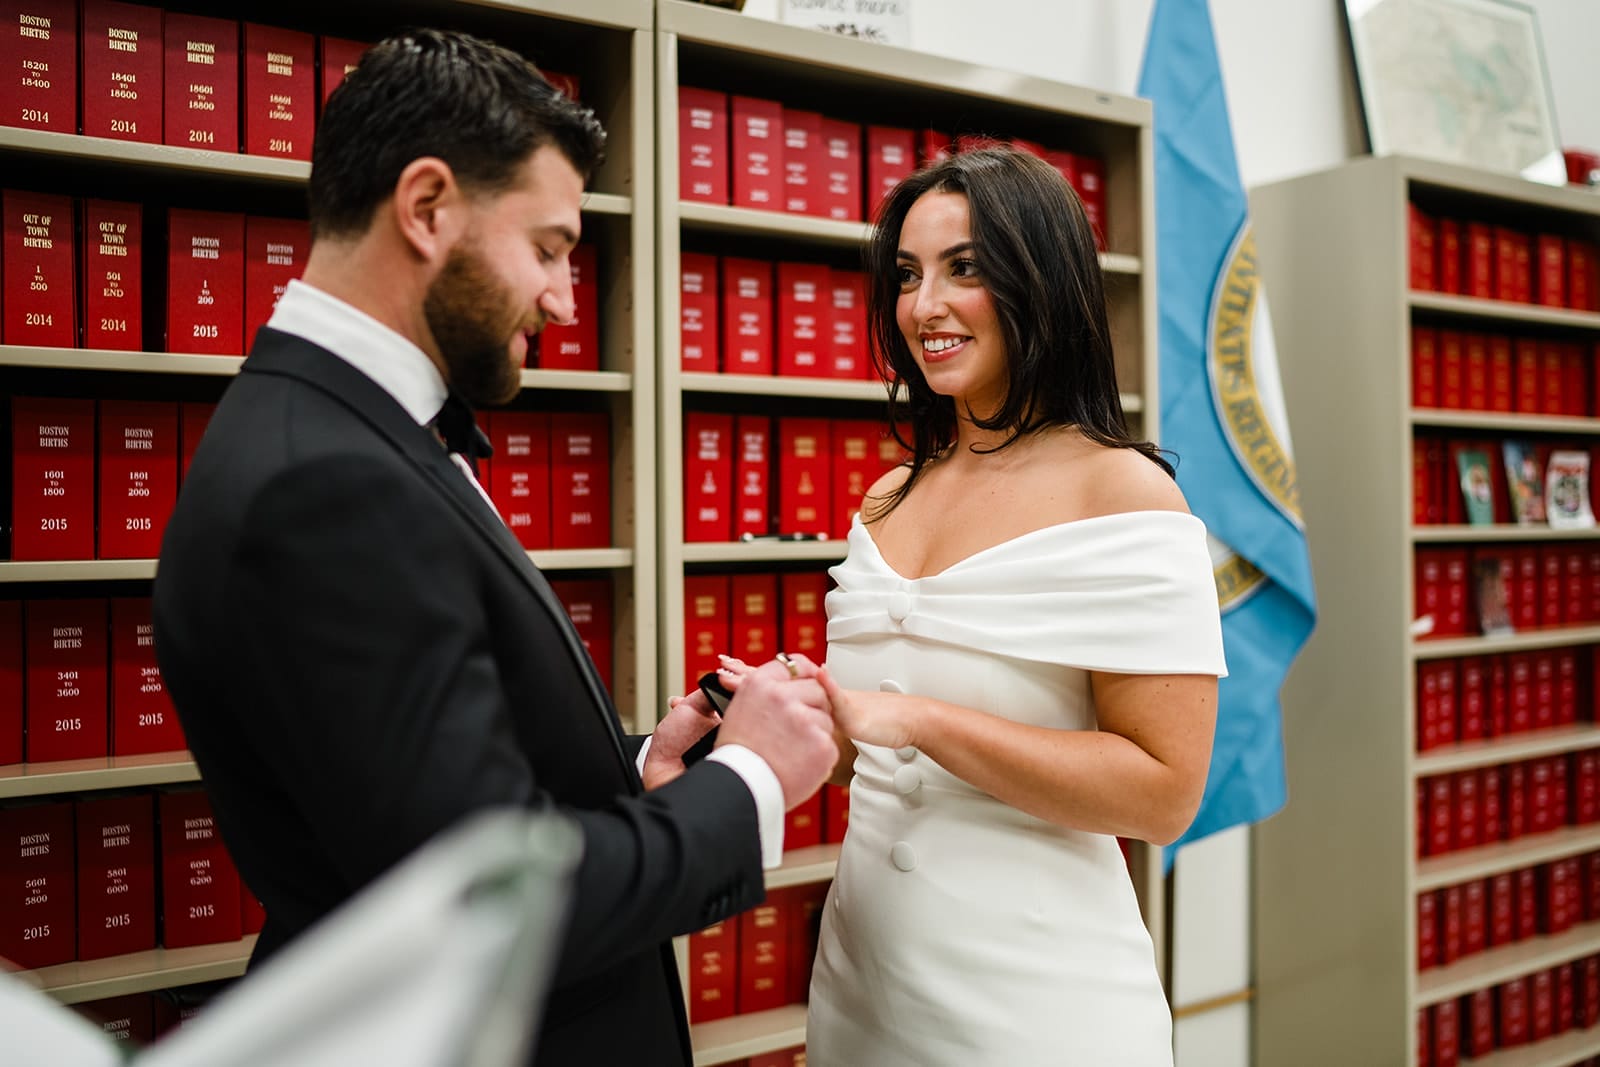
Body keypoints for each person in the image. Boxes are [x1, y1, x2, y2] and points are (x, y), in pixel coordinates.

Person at [151, 29, 837, 1067]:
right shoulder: (325, 485)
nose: (565, 296)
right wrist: (749, 777)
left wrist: (645, 773)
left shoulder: (350, 433)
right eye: (552, 247)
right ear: (427, 208)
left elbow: (431, 807)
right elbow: (482, 906)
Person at [806, 147, 1227, 1065]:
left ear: (1041, 281)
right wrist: (783, 717)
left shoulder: (1123, 492)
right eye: (908, 275)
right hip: (862, 987)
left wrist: (921, 717)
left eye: (966, 269)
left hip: (1039, 1005)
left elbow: (1163, 792)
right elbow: (865, 754)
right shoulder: (885, 499)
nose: (925, 306)